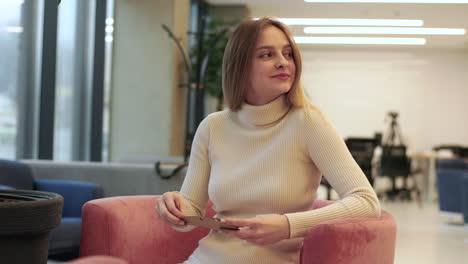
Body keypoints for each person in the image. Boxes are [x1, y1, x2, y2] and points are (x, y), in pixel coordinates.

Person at [155, 17, 381, 264]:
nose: (283, 62)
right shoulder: (212, 127)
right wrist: (174, 208)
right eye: (266, 55)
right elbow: (192, 209)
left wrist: (287, 225)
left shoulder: (308, 122)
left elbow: (366, 202)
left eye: (288, 54)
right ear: (240, 66)